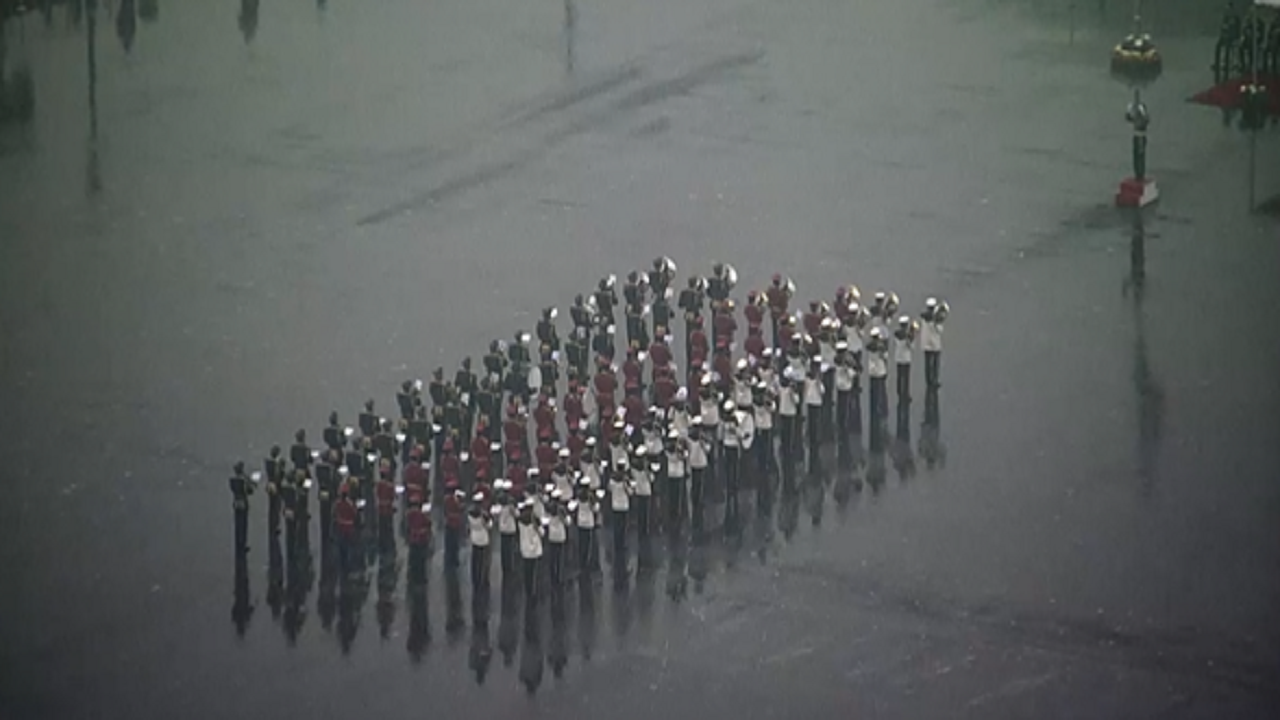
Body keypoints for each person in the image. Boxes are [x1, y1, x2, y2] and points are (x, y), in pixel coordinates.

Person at [517, 501, 544, 604]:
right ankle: (532, 591)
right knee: (533, 571)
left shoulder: (520, 521)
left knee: (526, 570)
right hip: (534, 548)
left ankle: (527, 589)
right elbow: (541, 533)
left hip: (524, 548)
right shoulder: (535, 521)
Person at [608, 460, 632, 572]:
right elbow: (630, 492)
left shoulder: (612, 480)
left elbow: (609, 488)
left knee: (617, 526)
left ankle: (617, 542)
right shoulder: (624, 481)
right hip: (623, 505)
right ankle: (622, 543)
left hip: (615, 505)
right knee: (623, 526)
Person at [919, 297, 947, 389]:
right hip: (935, 344)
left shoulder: (924, 318)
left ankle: (928, 380)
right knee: (935, 364)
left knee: (927, 364)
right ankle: (934, 380)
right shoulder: (936, 319)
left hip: (926, 343)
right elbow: (939, 330)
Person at [468, 492, 493, 595]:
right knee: (482, 561)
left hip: (474, 538)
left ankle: (475, 578)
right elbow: (489, 525)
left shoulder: (470, 513)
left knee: (475, 560)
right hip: (483, 538)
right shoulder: (483, 515)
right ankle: (482, 580)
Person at [866, 327, 890, 432]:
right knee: (881, 391)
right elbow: (885, 357)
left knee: (873, 391)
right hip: (880, 371)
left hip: (872, 371)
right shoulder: (880, 347)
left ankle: (874, 408)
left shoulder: (870, 346)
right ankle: (881, 410)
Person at [545, 490, 569, 587]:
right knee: (560, 557)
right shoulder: (562, 510)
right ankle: (559, 576)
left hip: (552, 536)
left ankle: (552, 575)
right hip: (560, 536)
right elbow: (567, 522)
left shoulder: (548, 509)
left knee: (552, 557)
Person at [229, 461, 253, 555]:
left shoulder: (232, 480)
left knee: (237, 523)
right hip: (243, 502)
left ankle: (237, 543)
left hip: (236, 502)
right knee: (243, 524)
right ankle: (242, 543)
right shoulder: (243, 480)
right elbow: (249, 491)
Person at [406, 500, 432, 585]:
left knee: (413, 559)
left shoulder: (409, 514)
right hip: (421, 540)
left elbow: (406, 526)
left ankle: (413, 576)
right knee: (421, 560)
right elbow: (428, 523)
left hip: (413, 540)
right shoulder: (422, 514)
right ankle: (420, 578)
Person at [893, 315, 917, 404]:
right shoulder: (907, 336)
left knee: (899, 376)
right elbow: (910, 346)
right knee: (906, 378)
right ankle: (905, 394)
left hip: (898, 358)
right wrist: (912, 336)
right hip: (906, 358)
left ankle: (899, 392)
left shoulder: (897, 334)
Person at [263, 445, 285, 538]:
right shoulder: (277, 464)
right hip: (276, 486)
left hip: (269, 484)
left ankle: (270, 523)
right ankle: (275, 525)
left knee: (271, 505)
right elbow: (279, 475)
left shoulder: (268, 462)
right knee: (276, 506)